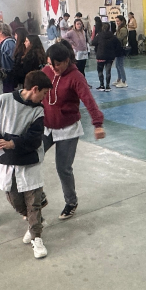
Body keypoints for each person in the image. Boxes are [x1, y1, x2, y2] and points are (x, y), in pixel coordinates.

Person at [0, 70, 53, 259]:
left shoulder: (38, 110)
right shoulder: (3, 100)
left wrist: (13, 143)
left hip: (30, 161)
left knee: (33, 202)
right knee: (14, 198)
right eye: (44, 93)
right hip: (7, 161)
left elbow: (34, 138)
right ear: (35, 89)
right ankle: (35, 221)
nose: (44, 98)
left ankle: (37, 238)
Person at [41, 42, 106, 220]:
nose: (53, 68)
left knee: (63, 168)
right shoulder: (46, 72)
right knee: (32, 160)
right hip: (46, 127)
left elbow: (89, 100)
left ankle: (71, 202)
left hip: (67, 130)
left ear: (67, 61)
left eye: (57, 64)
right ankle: (38, 196)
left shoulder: (76, 77)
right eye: (50, 64)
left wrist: (98, 124)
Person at [91, 23, 121, 91]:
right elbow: (118, 44)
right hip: (110, 56)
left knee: (100, 70)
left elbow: (93, 43)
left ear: (102, 28)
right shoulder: (113, 36)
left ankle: (102, 85)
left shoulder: (99, 36)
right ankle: (107, 86)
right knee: (108, 71)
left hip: (100, 56)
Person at [0, 24, 18, 93]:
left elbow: (13, 57)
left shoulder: (9, 43)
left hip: (8, 72)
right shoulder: (1, 42)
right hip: (3, 73)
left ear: (1, 32)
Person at [113, 16, 129, 87]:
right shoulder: (119, 28)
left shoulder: (123, 29)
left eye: (118, 21)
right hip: (118, 48)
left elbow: (119, 38)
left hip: (121, 48)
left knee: (120, 65)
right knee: (117, 65)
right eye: (116, 21)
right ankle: (119, 79)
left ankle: (124, 81)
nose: (117, 23)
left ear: (122, 21)